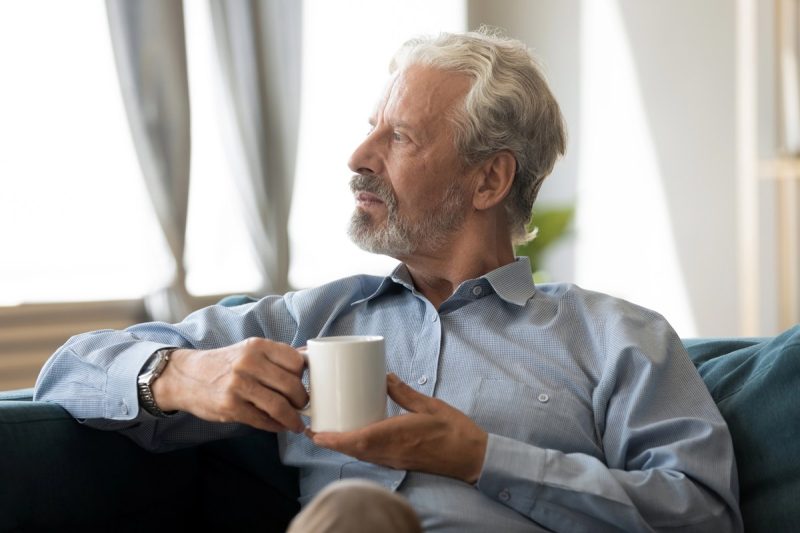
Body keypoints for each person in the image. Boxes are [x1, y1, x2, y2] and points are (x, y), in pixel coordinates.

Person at [35, 29, 743, 532]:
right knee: (356, 515)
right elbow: (67, 370)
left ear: (489, 177)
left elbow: (706, 514)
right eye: (372, 127)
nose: (358, 155)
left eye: (399, 136)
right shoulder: (315, 318)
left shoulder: (618, 337)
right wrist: (180, 374)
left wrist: (481, 458)